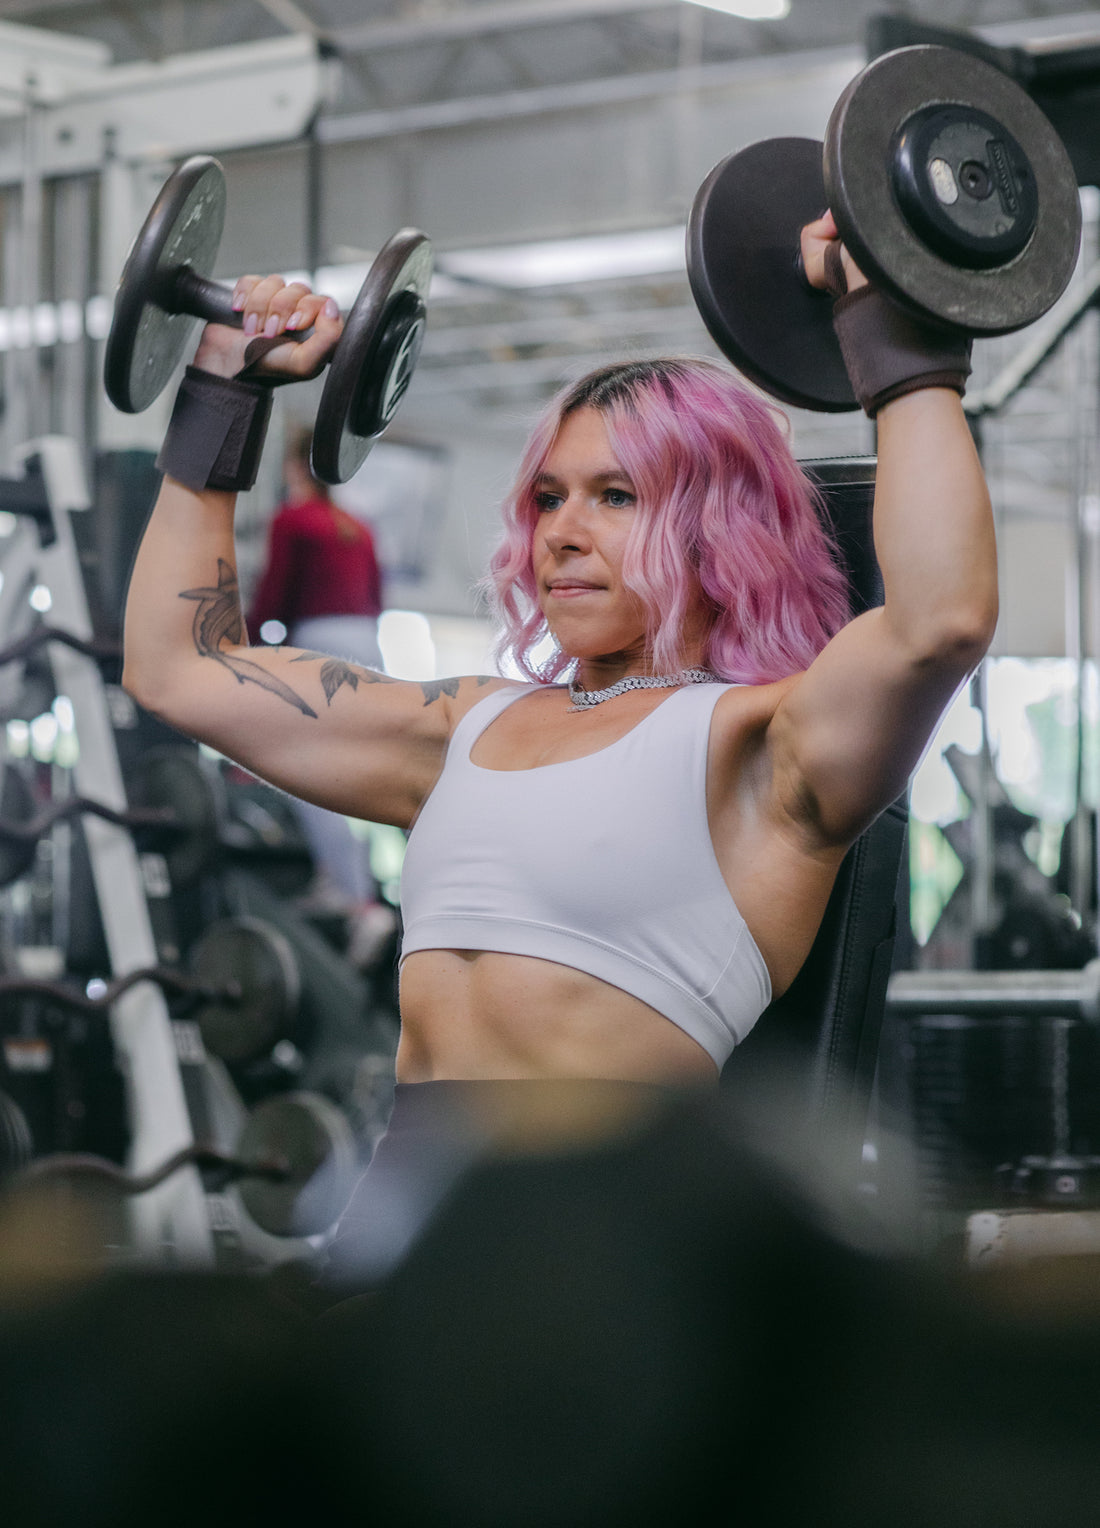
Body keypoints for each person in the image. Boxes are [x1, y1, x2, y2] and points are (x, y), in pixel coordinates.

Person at [122, 211, 996, 1166]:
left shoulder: (764, 746)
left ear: (723, 530)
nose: (561, 533)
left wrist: (888, 319)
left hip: (608, 1220)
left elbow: (939, 621)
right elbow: (180, 669)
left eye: (615, 497)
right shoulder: (463, 726)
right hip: (413, 1208)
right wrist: (224, 389)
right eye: (549, 497)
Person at [246, 425, 393, 965]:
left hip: (322, 646)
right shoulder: (361, 529)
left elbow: (273, 601)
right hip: (367, 648)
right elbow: (377, 599)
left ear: (292, 469)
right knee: (360, 774)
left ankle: (353, 899)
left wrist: (247, 653)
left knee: (308, 772)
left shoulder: (292, 521)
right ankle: (365, 888)